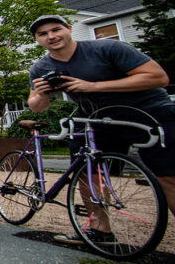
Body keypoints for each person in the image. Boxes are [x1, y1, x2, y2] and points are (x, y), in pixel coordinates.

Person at [26, 15, 174, 244]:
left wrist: (93, 86)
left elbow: (158, 77)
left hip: (147, 112)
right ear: (37, 39)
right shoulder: (41, 68)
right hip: (97, 118)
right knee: (86, 171)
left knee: (168, 174)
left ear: (69, 29)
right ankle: (100, 230)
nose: (51, 36)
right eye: (43, 34)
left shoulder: (107, 48)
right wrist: (42, 93)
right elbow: (36, 107)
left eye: (56, 30)